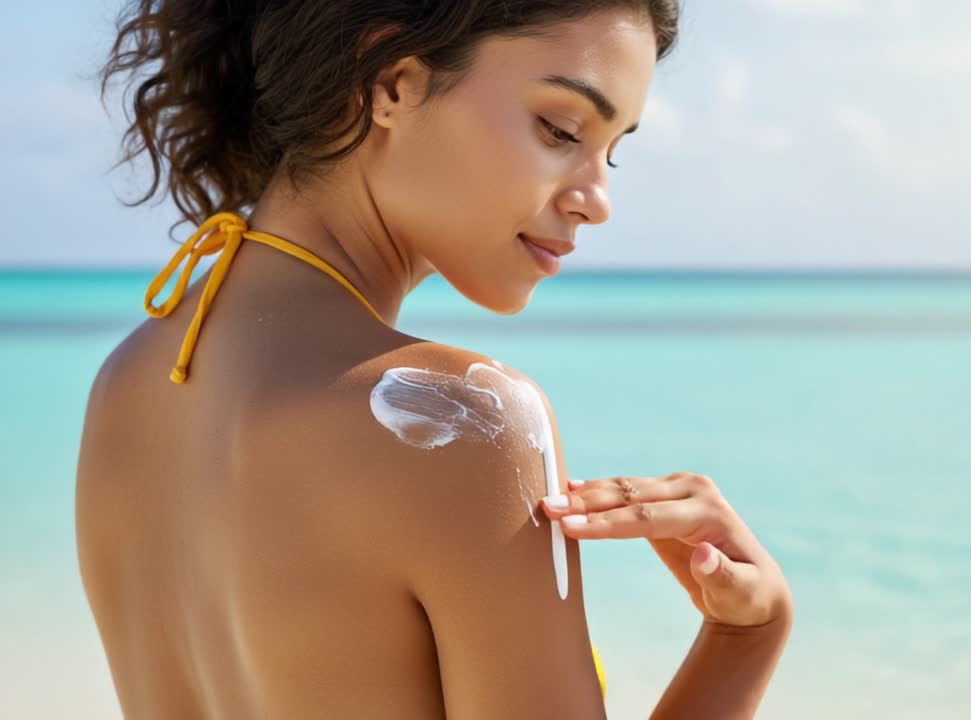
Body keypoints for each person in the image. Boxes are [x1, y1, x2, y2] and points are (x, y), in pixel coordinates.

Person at [75, 1, 793, 717]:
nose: (595, 200)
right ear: (393, 84)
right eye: (561, 130)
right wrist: (747, 640)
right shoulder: (462, 423)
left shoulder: (130, 379)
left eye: (610, 150)